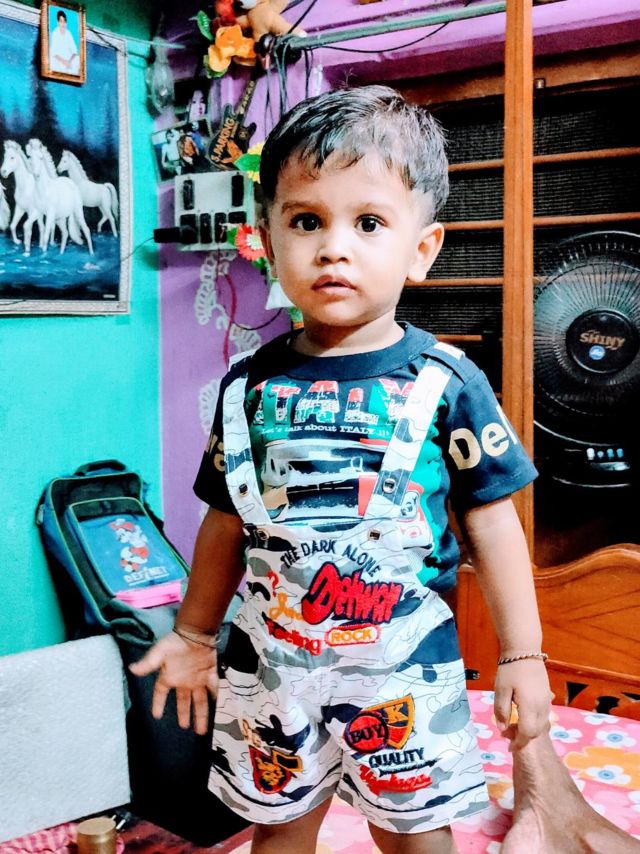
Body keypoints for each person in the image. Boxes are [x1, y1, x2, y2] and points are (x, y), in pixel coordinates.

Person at [131, 85, 553, 853]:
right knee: (278, 831)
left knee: (416, 837)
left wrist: (523, 654)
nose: (334, 247)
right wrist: (192, 633)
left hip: (402, 673)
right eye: (306, 221)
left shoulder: (448, 383)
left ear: (421, 250)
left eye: (368, 223)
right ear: (266, 240)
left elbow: (493, 526)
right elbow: (226, 521)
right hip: (274, 672)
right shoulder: (246, 389)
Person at [49, 9, 79, 75]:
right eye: (61, 21)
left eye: (64, 21)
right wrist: (64, 62)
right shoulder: (55, 33)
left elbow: (74, 50)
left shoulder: (68, 33)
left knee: (77, 60)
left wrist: (69, 61)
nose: (63, 23)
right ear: (58, 22)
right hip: (59, 58)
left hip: (68, 58)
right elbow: (54, 53)